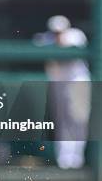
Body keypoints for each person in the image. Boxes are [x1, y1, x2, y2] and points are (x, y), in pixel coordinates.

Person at [34, 15, 91, 169]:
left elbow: (69, 49)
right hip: (59, 85)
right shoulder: (47, 38)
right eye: (55, 31)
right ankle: (64, 161)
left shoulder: (76, 36)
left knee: (78, 120)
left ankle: (77, 159)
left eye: (60, 31)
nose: (57, 34)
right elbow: (36, 43)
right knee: (62, 121)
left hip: (77, 83)